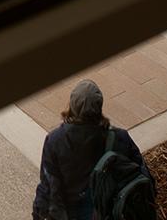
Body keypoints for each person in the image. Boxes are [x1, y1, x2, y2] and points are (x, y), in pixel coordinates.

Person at [32, 80, 153, 220]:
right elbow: (142, 174)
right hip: (107, 212)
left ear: (72, 106)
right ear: (99, 107)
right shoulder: (119, 138)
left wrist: (38, 214)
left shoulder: (54, 141)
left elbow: (47, 187)